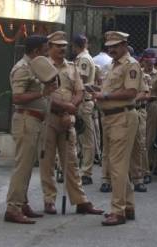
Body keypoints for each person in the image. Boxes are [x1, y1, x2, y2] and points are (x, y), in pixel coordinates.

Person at [39, 31, 104, 216]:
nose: (62, 49)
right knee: (47, 161)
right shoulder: (42, 67)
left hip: (68, 119)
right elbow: (44, 94)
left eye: (64, 46)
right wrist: (64, 107)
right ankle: (49, 200)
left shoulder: (71, 67)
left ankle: (80, 201)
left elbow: (79, 91)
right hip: (49, 118)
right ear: (49, 47)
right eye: (57, 45)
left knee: (72, 161)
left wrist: (69, 108)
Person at [4, 35, 58, 224]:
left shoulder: (35, 67)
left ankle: (22, 203)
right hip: (26, 120)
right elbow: (17, 97)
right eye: (45, 49)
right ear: (36, 51)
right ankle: (13, 208)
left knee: (27, 166)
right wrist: (42, 92)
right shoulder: (22, 68)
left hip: (35, 121)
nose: (47, 52)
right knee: (23, 166)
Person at [93, 31, 141, 226]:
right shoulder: (114, 65)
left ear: (124, 45)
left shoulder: (131, 65)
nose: (111, 49)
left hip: (122, 117)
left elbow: (131, 92)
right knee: (117, 165)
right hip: (111, 118)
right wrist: (99, 92)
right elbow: (112, 90)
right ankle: (127, 206)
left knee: (117, 166)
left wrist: (105, 97)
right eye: (109, 46)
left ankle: (118, 211)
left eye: (115, 45)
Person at [71, 34, 96, 186]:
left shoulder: (84, 59)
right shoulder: (81, 58)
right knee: (80, 139)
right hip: (81, 102)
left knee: (86, 139)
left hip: (84, 102)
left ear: (76, 45)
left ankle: (86, 172)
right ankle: (81, 170)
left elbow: (81, 80)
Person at [141, 49, 157, 184]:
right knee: (140, 139)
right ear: (143, 60)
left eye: (152, 62)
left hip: (153, 104)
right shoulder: (138, 72)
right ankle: (140, 168)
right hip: (140, 105)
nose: (150, 64)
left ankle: (146, 169)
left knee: (148, 139)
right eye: (147, 61)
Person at [130, 72, 150, 193]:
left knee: (139, 144)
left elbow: (145, 93)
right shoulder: (113, 70)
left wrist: (132, 99)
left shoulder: (139, 74)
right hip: (119, 113)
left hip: (137, 110)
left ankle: (141, 175)